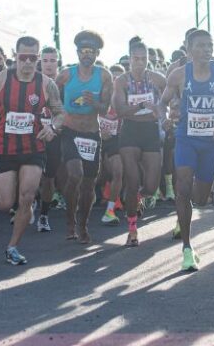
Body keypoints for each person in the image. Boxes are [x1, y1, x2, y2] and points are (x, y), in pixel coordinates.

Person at [0, 36, 64, 265]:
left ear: (38, 58)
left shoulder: (46, 84)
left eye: (33, 58)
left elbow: (60, 112)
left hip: (34, 148)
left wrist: (53, 127)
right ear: (15, 56)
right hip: (5, 148)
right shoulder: (1, 79)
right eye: (23, 57)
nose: (28, 63)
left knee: (26, 195)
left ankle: (12, 246)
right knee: (4, 203)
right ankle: (23, 208)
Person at [158, 30, 214, 271]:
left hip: (210, 143)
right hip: (186, 139)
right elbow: (161, 102)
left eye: (210, 45)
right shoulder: (178, 75)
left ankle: (183, 214)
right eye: (201, 46)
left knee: (201, 198)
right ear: (189, 49)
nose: (207, 50)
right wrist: (164, 119)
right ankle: (187, 247)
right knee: (183, 187)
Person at [55, 31, 113, 244]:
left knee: (89, 184)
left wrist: (94, 102)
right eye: (83, 51)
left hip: (91, 134)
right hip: (70, 131)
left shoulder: (105, 75)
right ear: (78, 52)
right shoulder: (66, 74)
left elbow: (105, 109)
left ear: (97, 53)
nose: (87, 54)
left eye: (91, 51)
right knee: (74, 174)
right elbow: (50, 95)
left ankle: (82, 224)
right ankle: (70, 220)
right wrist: (57, 116)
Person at [112, 38, 167, 246]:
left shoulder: (157, 79)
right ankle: (132, 229)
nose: (140, 63)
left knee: (151, 186)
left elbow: (169, 100)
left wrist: (163, 111)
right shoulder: (122, 81)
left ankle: (138, 199)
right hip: (130, 132)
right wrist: (142, 105)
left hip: (151, 130)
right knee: (133, 181)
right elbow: (120, 111)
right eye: (136, 59)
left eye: (143, 59)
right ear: (129, 58)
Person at [36, 46, 62, 232]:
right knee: (30, 175)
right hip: (33, 135)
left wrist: (55, 128)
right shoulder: (33, 81)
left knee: (48, 178)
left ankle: (44, 215)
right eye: (45, 61)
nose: (49, 65)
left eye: (53, 61)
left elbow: (67, 112)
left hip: (56, 135)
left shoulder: (65, 82)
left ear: (58, 62)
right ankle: (26, 205)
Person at [98, 63, 124, 226]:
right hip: (96, 140)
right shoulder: (98, 96)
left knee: (118, 172)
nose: (114, 82)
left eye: (118, 79)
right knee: (98, 176)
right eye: (112, 78)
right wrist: (101, 133)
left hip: (116, 141)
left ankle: (110, 209)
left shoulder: (124, 98)